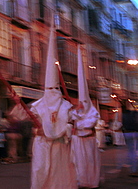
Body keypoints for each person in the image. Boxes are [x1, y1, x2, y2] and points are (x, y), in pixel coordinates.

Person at [30, 28, 77, 189]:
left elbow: (71, 125)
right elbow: (33, 124)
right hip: (42, 146)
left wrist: (63, 130)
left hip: (58, 147)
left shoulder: (65, 106)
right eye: (48, 89)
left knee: (59, 175)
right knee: (42, 174)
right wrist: (38, 131)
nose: (51, 93)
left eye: (54, 90)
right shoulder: (38, 106)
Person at [70, 45, 101, 188]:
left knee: (90, 161)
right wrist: (77, 113)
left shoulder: (93, 111)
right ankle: (80, 180)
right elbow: (72, 119)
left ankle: (91, 181)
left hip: (88, 140)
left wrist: (79, 121)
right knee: (78, 162)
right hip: (78, 140)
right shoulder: (77, 111)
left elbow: (88, 124)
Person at [121, 99, 138, 177]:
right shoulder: (135, 114)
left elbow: (121, 124)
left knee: (131, 152)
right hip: (135, 132)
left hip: (128, 132)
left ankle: (133, 170)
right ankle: (134, 170)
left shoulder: (124, 114)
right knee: (135, 151)